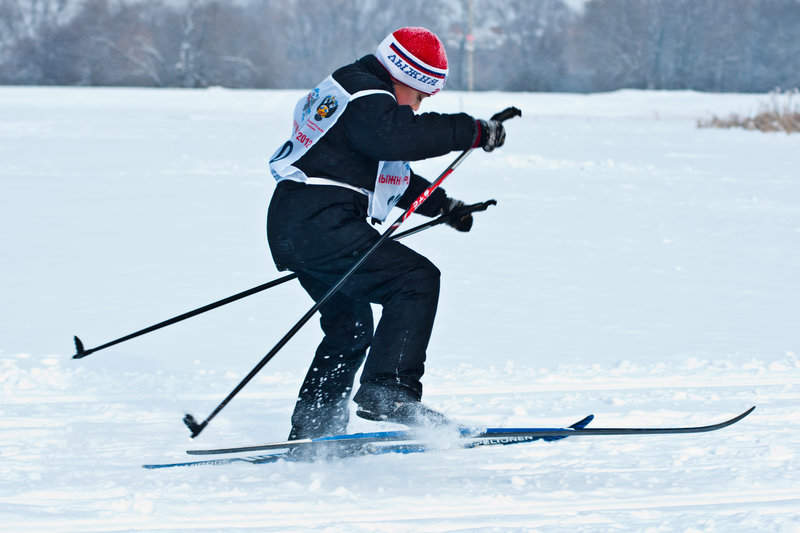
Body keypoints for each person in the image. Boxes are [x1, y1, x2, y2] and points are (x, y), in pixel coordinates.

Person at [266, 27, 507, 442]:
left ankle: (315, 429)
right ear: (406, 78)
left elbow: (388, 168)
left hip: (296, 220)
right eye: (421, 95)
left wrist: (443, 206)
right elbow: (397, 137)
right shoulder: (366, 94)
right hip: (322, 220)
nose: (420, 105)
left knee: (351, 328)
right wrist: (471, 130)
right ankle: (389, 390)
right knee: (414, 280)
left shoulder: (354, 93)